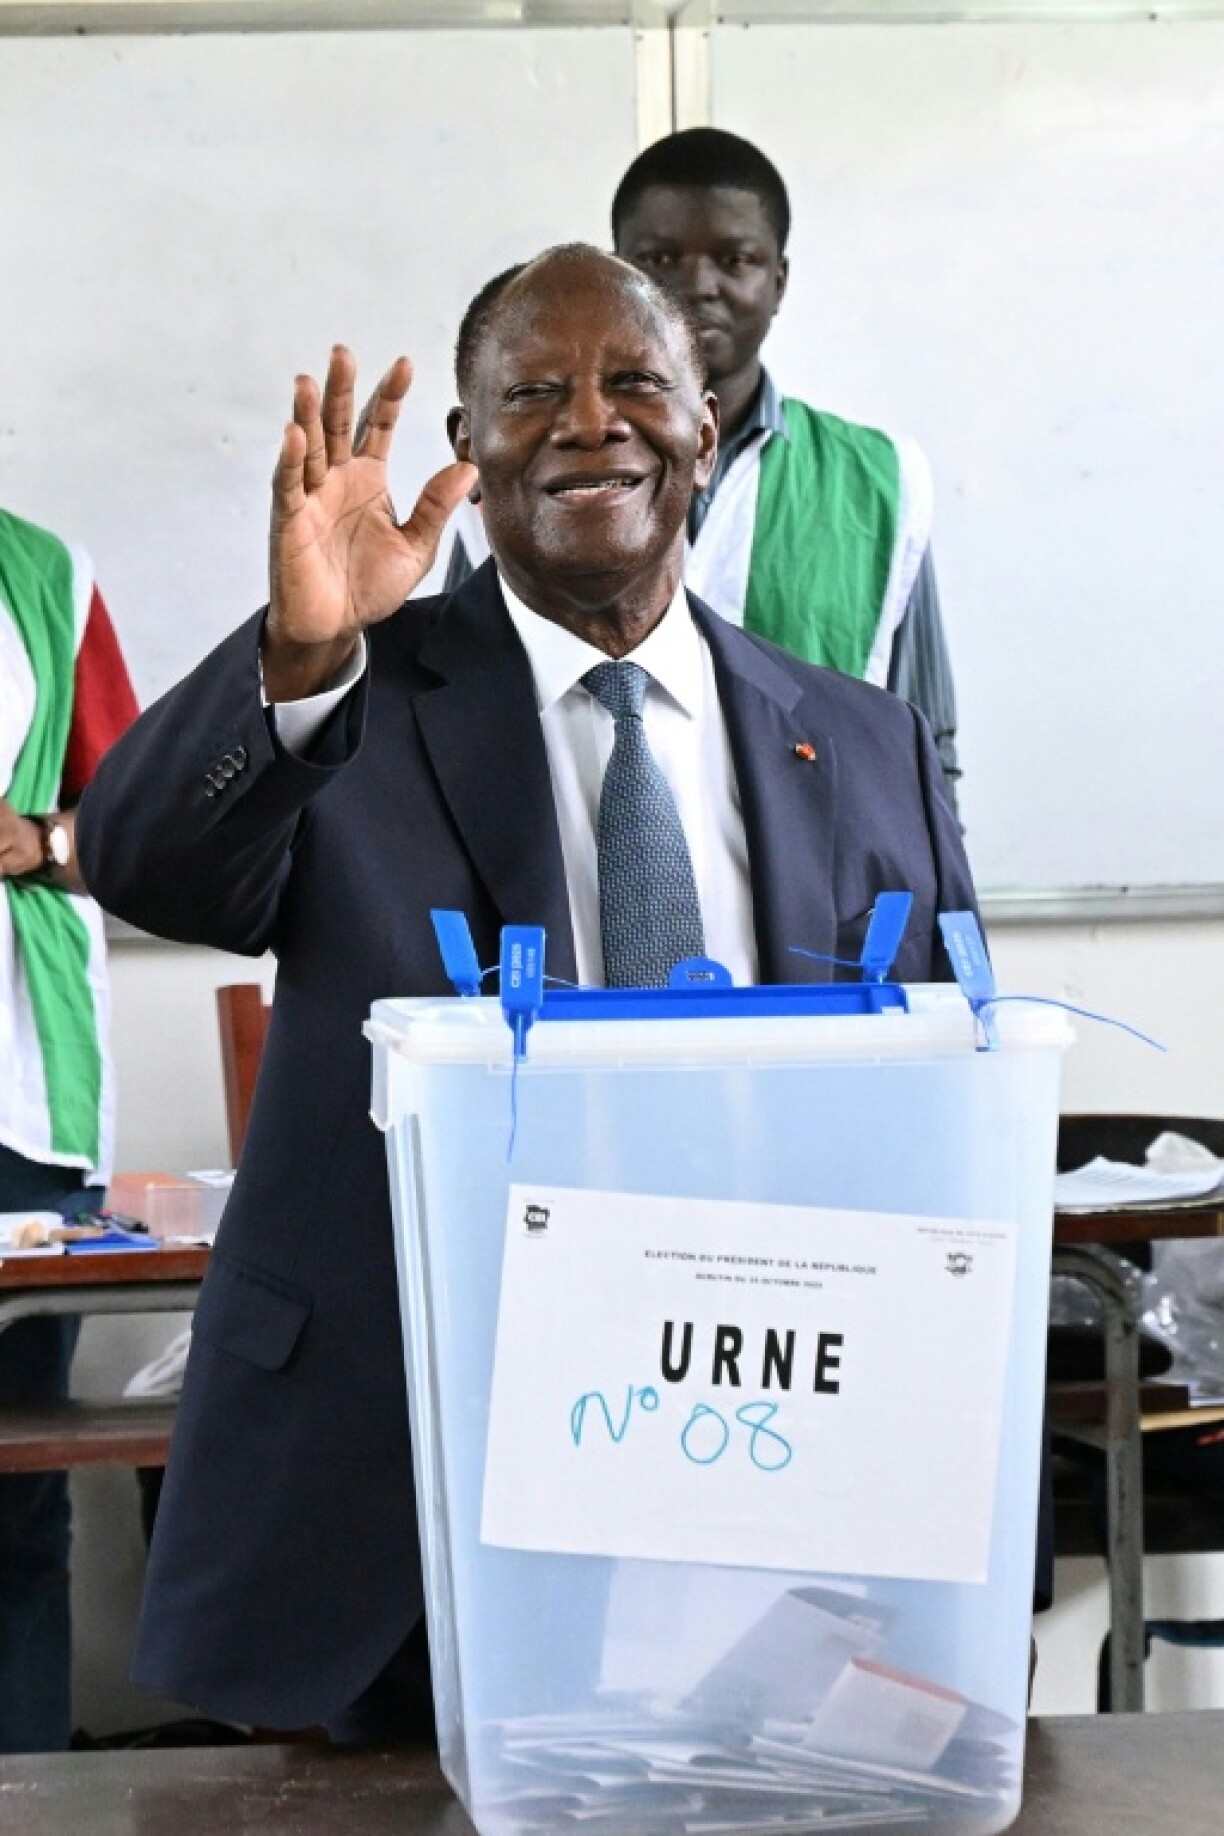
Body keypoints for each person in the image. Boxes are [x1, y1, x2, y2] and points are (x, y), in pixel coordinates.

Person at [78, 245, 976, 1743]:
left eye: (634, 383)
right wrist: (306, 651)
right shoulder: (352, 701)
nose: (589, 423)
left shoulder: (862, 741)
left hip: (755, 1476)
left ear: (704, 423)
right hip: (398, 1495)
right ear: (467, 450)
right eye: (532, 394)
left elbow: (938, 1100)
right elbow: (144, 864)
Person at [449, 129, 961, 811]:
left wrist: (939, 901)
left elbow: (927, 748)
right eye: (659, 259)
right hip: (565, 870)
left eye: (735, 259)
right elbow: (451, 703)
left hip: (811, 889)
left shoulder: (880, 480)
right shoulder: (516, 471)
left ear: (778, 280)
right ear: (617, 275)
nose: (697, 287)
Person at [0, 506, 138, 1752]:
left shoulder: (46, 575)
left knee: (13, 1497)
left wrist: (41, 839)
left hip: (18, 1102)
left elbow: (146, 833)